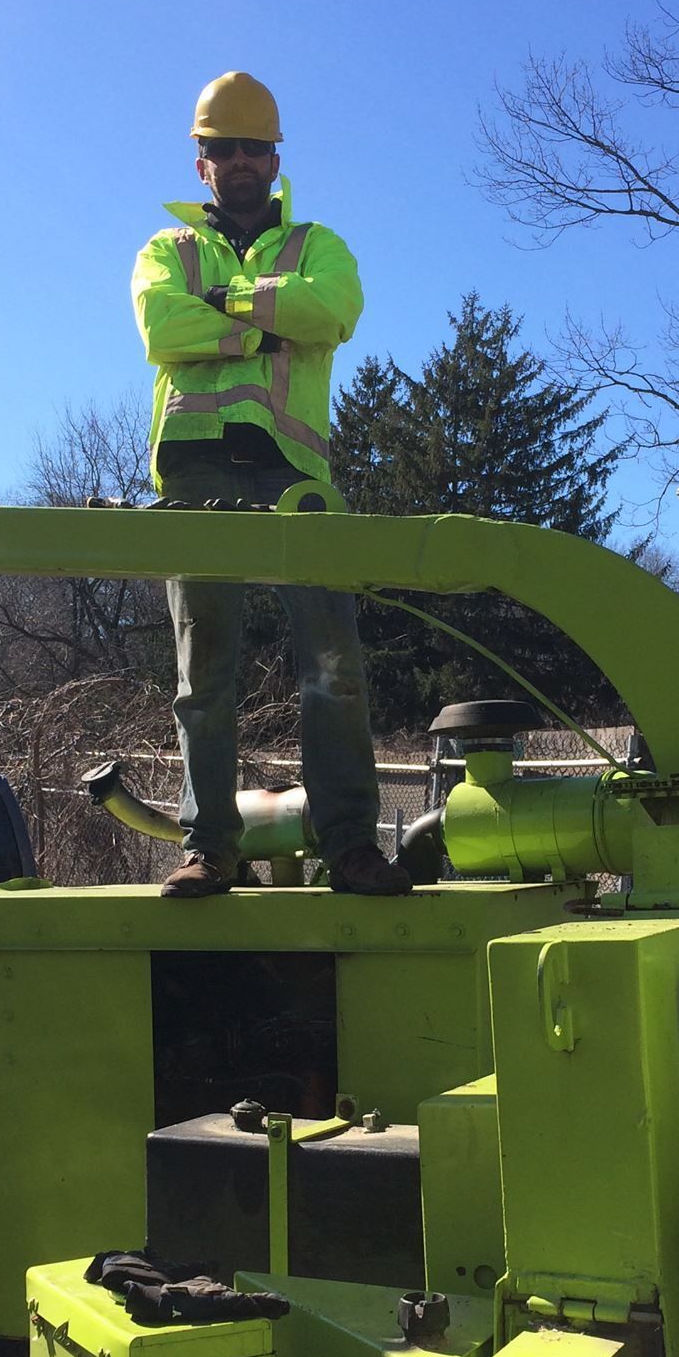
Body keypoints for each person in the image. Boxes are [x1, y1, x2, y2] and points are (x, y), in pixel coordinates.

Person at [131, 71, 412, 900]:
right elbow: (161, 326)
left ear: (276, 157)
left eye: (255, 147)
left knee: (335, 666)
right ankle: (210, 848)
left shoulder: (317, 243)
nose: (242, 161)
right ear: (202, 165)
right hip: (194, 470)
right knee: (203, 674)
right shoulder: (164, 251)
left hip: (295, 475)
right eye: (225, 149)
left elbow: (332, 312)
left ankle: (350, 846)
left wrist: (221, 304)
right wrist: (265, 322)